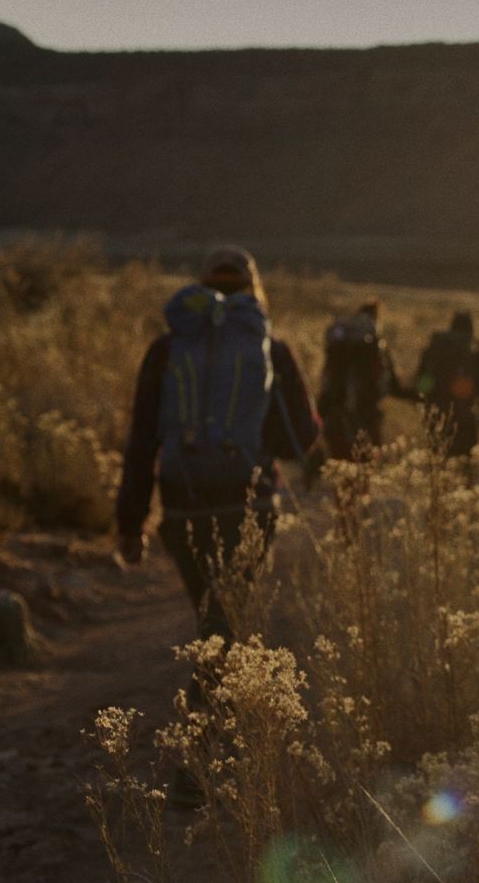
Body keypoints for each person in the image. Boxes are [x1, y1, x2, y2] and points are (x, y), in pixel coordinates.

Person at [114, 244, 319, 669]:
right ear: (253, 291)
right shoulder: (271, 350)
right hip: (251, 501)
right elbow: (302, 436)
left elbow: (141, 442)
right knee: (229, 612)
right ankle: (217, 708)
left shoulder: (166, 350)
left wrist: (130, 525)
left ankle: (213, 706)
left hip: (183, 502)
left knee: (211, 613)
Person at [314, 299, 410, 466]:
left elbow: (326, 381)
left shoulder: (340, 344)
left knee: (338, 463)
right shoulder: (375, 344)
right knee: (365, 462)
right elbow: (390, 384)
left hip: (335, 411)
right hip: (367, 414)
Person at [413, 310, 479, 459]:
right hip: (465, 416)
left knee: (438, 461)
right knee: (465, 466)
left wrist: (424, 405)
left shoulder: (435, 350)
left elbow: (422, 384)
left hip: (437, 413)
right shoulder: (476, 352)